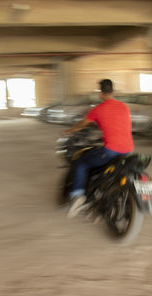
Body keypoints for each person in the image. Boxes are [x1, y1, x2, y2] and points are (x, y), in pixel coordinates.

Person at [63, 79, 134, 217]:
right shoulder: (124, 107)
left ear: (101, 93)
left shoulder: (98, 109)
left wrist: (69, 131)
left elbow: (82, 124)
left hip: (110, 151)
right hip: (128, 150)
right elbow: (120, 125)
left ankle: (77, 196)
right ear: (113, 92)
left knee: (82, 162)